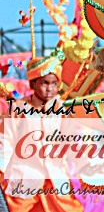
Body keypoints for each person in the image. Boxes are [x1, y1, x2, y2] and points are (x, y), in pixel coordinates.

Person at [3, 50, 84, 212]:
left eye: (54, 84)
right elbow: (5, 139)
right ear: (32, 84)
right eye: (44, 83)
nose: (50, 89)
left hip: (56, 179)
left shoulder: (61, 111)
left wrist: (84, 167)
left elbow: (70, 143)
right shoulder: (18, 108)